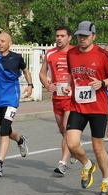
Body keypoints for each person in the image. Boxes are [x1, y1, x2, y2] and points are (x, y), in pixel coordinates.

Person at [62, 21, 108, 195]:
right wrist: (68, 87)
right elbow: (72, 74)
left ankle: (106, 180)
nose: (82, 39)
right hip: (77, 105)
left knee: (98, 148)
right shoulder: (71, 53)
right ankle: (87, 165)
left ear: (94, 36)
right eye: (80, 35)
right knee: (71, 144)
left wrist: (102, 83)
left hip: (97, 108)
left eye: (86, 36)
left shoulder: (102, 55)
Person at [0, 32, 32, 177]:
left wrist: (30, 85)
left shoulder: (16, 58)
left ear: (10, 43)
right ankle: (20, 140)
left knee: (3, 130)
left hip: (11, 99)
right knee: (6, 129)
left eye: (2, 41)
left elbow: (26, 70)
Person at [39, 25, 73, 175]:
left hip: (71, 97)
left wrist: (72, 85)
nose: (59, 38)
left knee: (66, 127)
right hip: (56, 97)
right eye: (57, 35)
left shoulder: (75, 53)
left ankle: (63, 162)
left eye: (62, 36)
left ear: (69, 38)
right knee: (62, 129)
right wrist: (47, 84)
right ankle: (73, 148)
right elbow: (42, 73)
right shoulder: (50, 53)